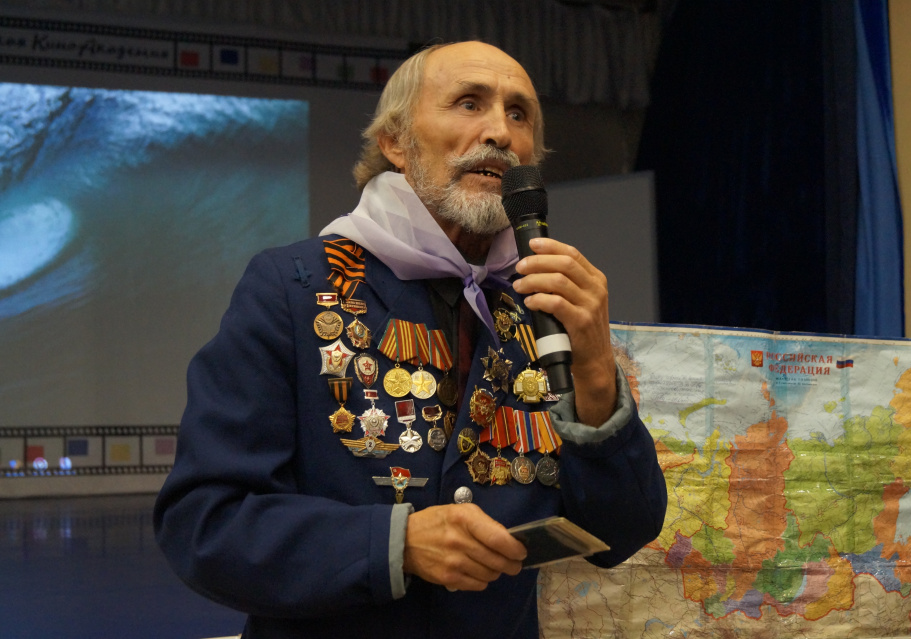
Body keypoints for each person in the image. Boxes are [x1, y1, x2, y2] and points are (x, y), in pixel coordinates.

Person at [154, 40, 667, 638]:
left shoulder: (544, 310)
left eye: (519, 114)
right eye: (469, 103)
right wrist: (394, 545)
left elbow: (623, 532)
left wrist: (597, 373)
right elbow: (205, 522)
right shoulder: (291, 289)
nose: (500, 132)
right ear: (395, 142)